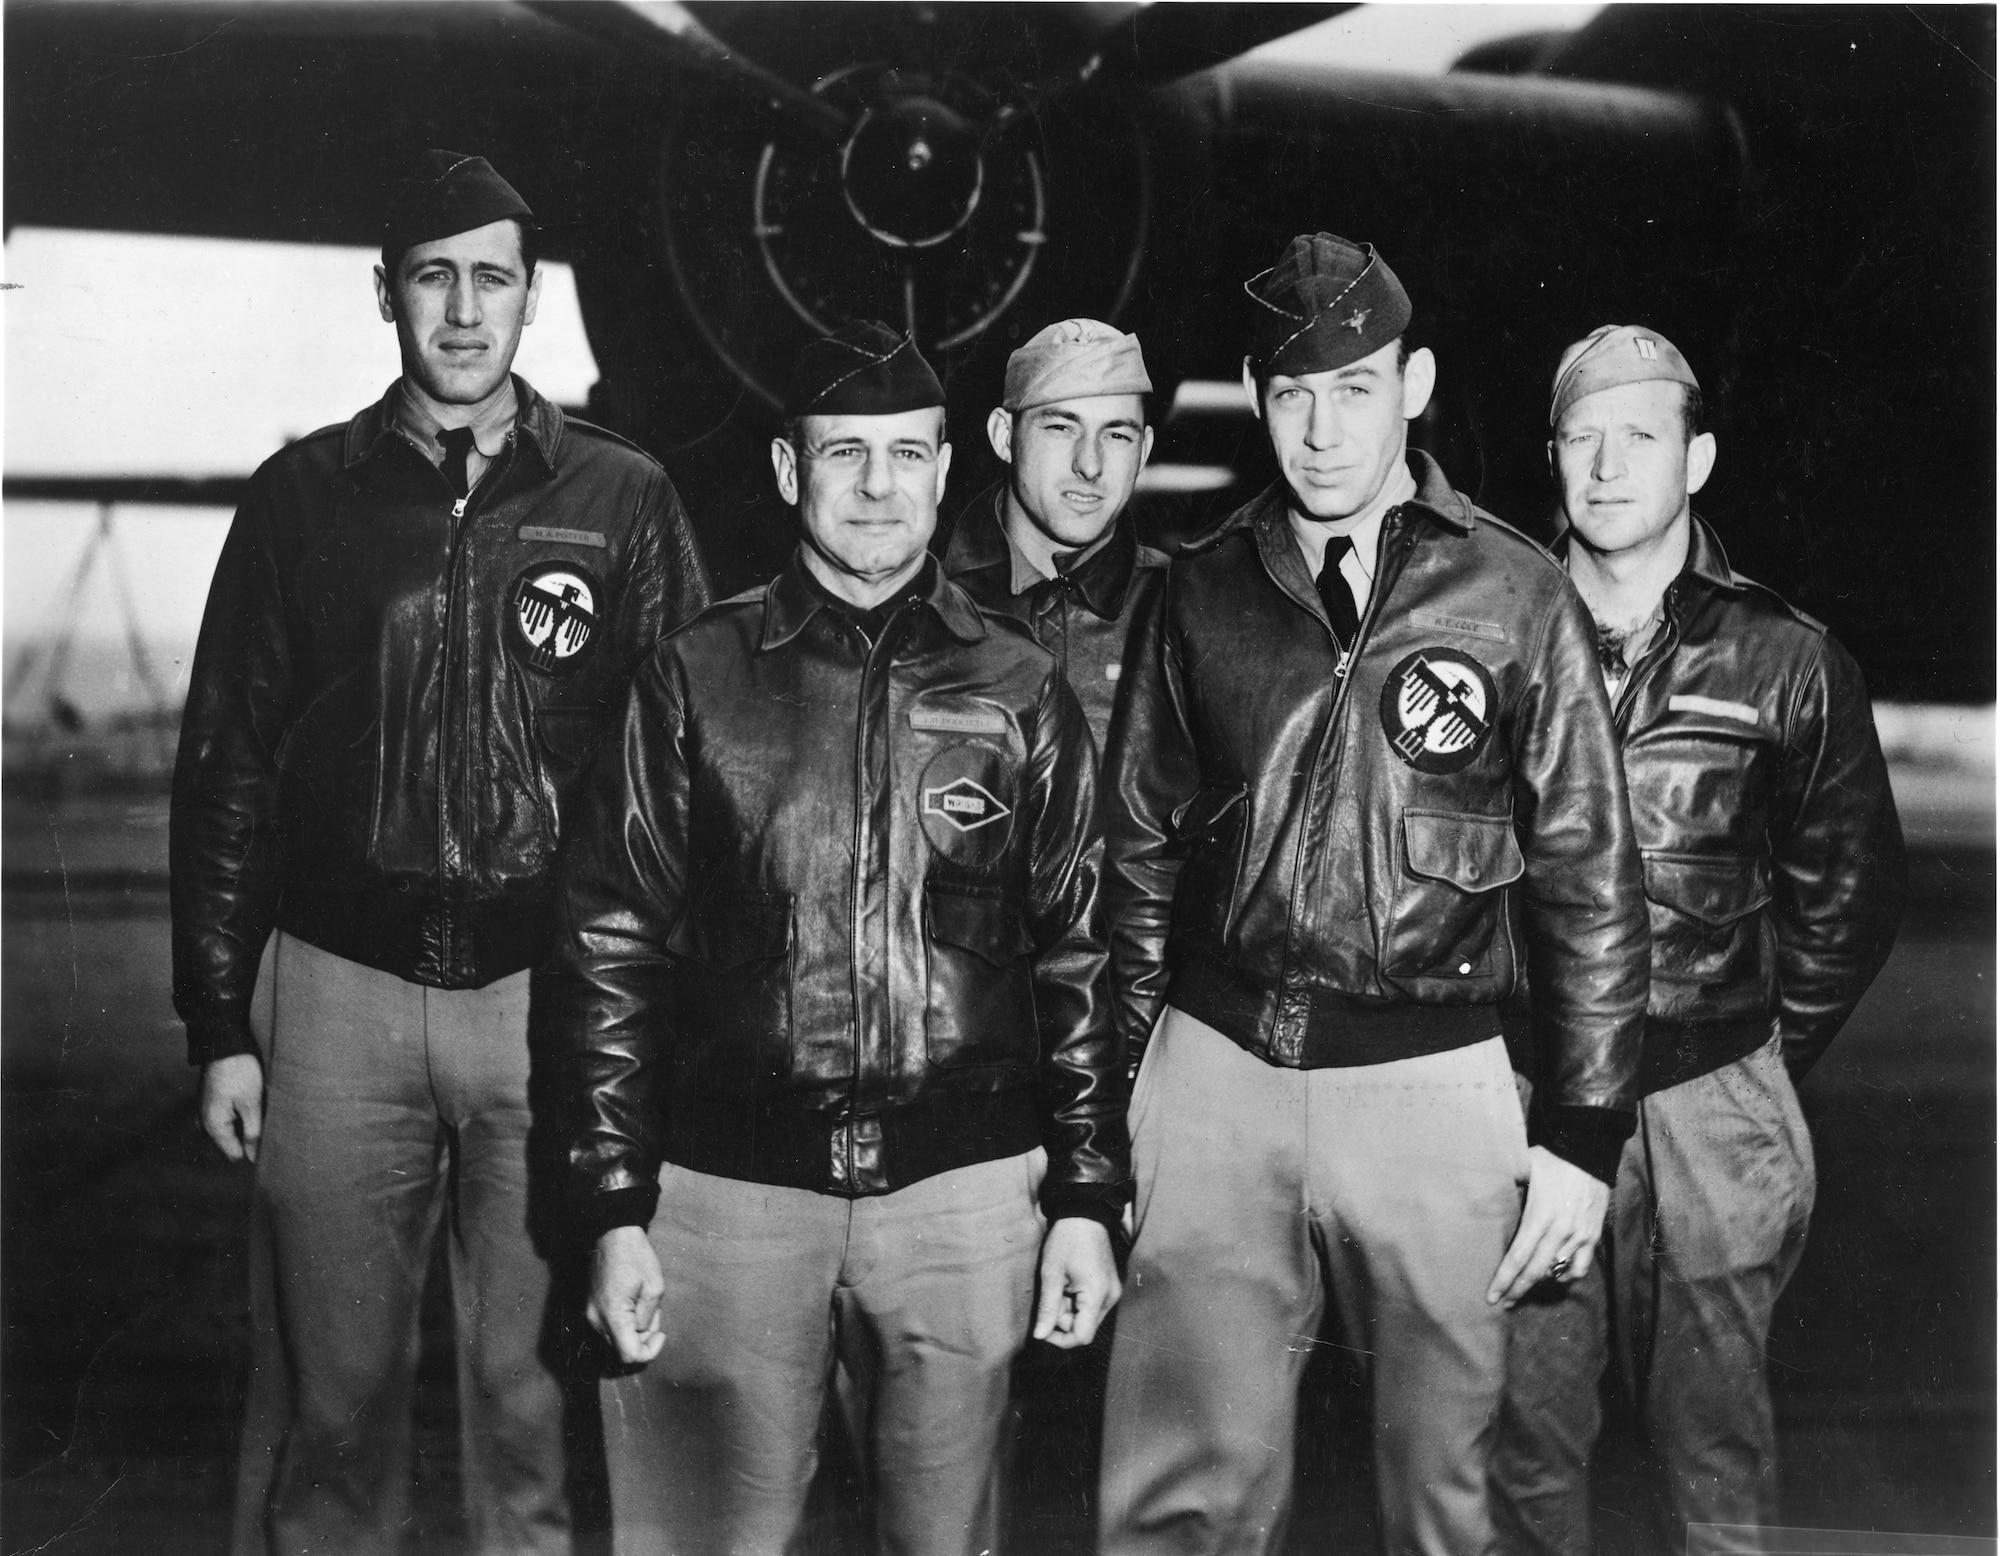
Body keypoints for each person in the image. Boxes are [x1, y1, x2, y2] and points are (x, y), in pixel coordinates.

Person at [170, 148, 709, 1555]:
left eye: (492, 281)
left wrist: (668, 1028)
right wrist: (222, 1018)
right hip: (338, 993)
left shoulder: (624, 501)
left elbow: (687, 778)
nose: (462, 313)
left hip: (546, 1000)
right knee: (331, 1408)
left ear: (535, 301)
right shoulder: (301, 499)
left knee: (527, 1411)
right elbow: (226, 764)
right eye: (432, 279)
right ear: (385, 296)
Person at [1093, 232, 1652, 1555]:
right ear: (1253, 395)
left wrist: (1582, 1133)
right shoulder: (1199, 593)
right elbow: (1130, 861)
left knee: (1443, 1492)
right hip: (1216, 1070)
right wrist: (1101, 1113)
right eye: (1292, 395)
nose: (1323, 429)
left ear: (1417, 384)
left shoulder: (1517, 592)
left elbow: (1589, 875)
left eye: (1356, 388)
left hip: (1437, 1077)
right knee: (1180, 1493)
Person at [551, 321, 1129, 1556]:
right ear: (783, 469)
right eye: (844, 454)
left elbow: (1079, 950)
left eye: (906, 455)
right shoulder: (692, 677)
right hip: (725, 1199)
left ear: (941, 469)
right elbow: (609, 949)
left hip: (962, 1204)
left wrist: (1082, 1192)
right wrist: (611, 1202)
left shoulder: (1021, 687)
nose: (877, 486)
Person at [1490, 326, 1907, 1554]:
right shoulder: (1489, 638)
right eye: (1581, 436)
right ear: (1551, 456)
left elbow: (1848, 890)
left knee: (1713, 1456)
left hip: (1707, 1096)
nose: (1608, 465)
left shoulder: (1786, 660)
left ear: (1698, 457)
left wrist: (1750, 1056)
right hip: (1522, 1096)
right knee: (1521, 1446)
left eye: (1641, 435)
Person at [939, 317, 1165, 752]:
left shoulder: (1184, 613)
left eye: (1117, 434)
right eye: (1061, 427)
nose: (1090, 464)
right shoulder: (929, 605)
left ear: (1144, 452)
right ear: (1005, 437)